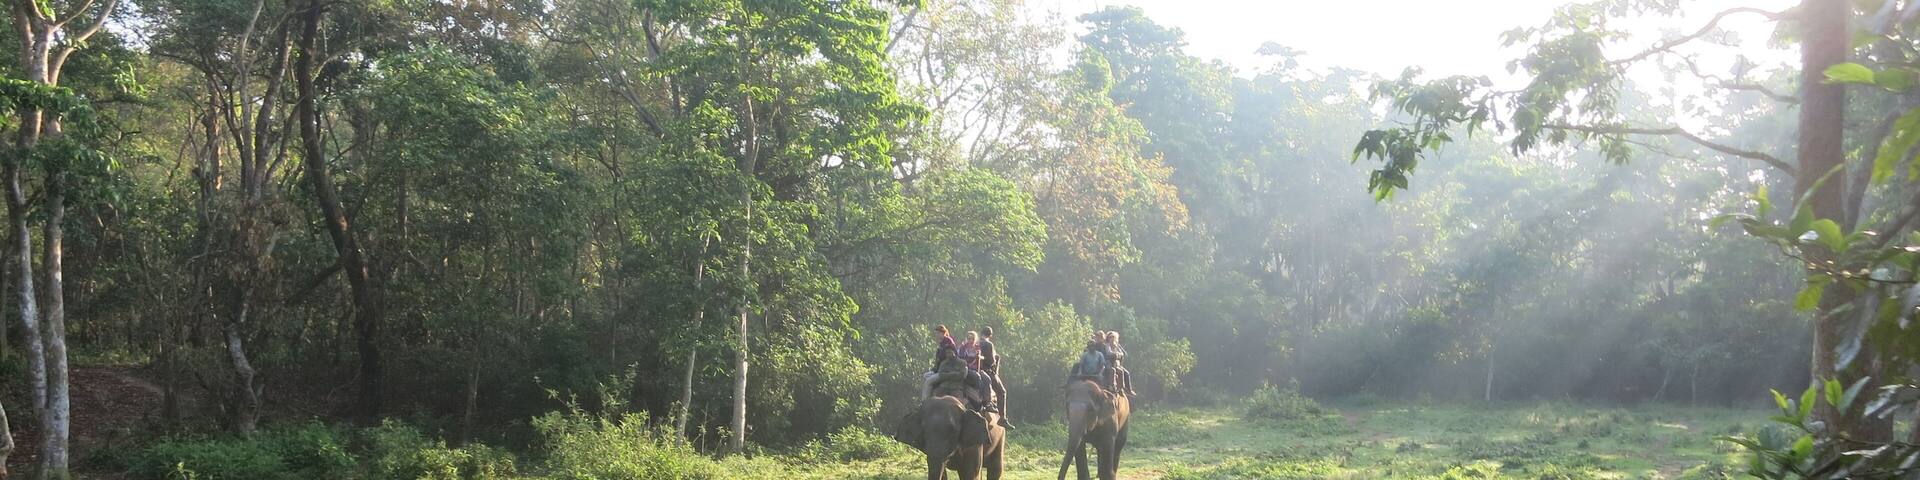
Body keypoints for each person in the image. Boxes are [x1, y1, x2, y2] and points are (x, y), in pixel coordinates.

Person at [978, 326, 1012, 428]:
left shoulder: (976, 342)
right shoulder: (988, 344)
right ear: (990, 336)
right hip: (986, 372)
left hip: (974, 370)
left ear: (981, 333)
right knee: (1002, 392)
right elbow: (991, 361)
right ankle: (1002, 418)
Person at [922, 325, 957, 399]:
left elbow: (944, 358)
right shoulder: (941, 343)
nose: (936, 335)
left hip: (946, 371)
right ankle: (929, 396)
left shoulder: (948, 343)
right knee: (925, 376)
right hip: (939, 369)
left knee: (928, 382)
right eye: (936, 333)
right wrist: (933, 369)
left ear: (942, 333)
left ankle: (925, 401)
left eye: (938, 333)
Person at [1106, 331, 1137, 396]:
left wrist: (1118, 354)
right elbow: (1108, 353)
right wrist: (1115, 354)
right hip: (1110, 363)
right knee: (1120, 372)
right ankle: (1117, 387)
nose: (1111, 338)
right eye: (1110, 337)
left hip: (1117, 364)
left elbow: (1122, 353)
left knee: (1127, 373)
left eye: (1113, 337)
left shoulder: (1117, 346)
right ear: (1108, 338)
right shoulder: (1108, 345)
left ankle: (1128, 389)